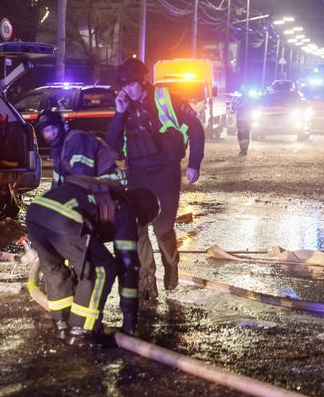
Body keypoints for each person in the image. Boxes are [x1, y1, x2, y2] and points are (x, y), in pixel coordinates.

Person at [26, 130, 158, 344]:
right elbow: (127, 267)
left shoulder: (109, 193)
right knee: (102, 269)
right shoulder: (124, 209)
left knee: (56, 270)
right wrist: (130, 321)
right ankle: (81, 331)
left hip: (36, 213)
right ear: (142, 211)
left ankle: (62, 325)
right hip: (64, 216)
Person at [106, 57, 205, 301]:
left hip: (165, 171)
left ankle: (171, 264)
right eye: (123, 86)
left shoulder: (165, 97)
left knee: (163, 229)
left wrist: (194, 164)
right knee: (138, 229)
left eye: (130, 84)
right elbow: (112, 143)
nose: (126, 90)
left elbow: (195, 128)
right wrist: (119, 114)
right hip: (137, 172)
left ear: (143, 80)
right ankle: (147, 280)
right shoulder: (124, 106)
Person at [35, 108, 67, 188]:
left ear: (60, 127)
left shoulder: (72, 143)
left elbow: (81, 178)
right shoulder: (55, 149)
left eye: (53, 128)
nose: (51, 133)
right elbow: (57, 179)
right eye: (47, 130)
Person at [232, 91, 256, 156]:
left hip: (249, 119)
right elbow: (233, 108)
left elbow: (255, 107)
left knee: (246, 134)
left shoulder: (252, 99)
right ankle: (242, 148)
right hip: (241, 119)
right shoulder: (238, 99)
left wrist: (248, 106)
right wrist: (241, 106)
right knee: (240, 134)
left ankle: (244, 150)